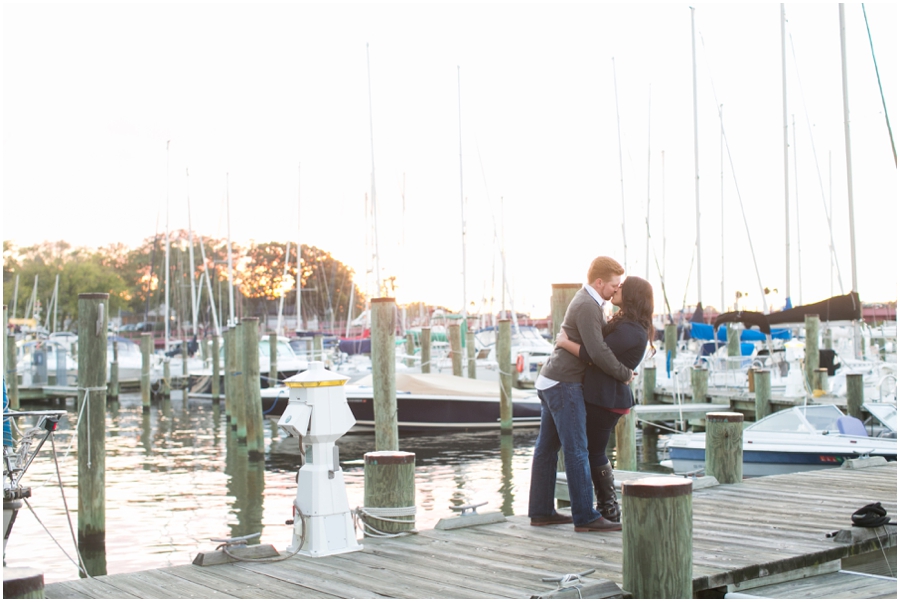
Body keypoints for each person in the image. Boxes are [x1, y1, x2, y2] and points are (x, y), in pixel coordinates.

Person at [528, 256, 635, 532]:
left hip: (551, 380)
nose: (615, 289)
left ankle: (541, 511)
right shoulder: (588, 305)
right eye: (613, 285)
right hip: (565, 383)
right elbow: (598, 352)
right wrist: (625, 374)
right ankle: (585, 516)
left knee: (547, 448)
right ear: (599, 282)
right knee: (577, 450)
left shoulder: (588, 302)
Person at [556, 275, 655, 523]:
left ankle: (608, 509)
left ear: (632, 295)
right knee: (592, 450)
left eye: (623, 286)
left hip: (606, 398)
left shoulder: (632, 331)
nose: (617, 288)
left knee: (595, 451)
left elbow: (594, 353)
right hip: (604, 395)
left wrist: (564, 342)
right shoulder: (626, 323)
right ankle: (605, 507)